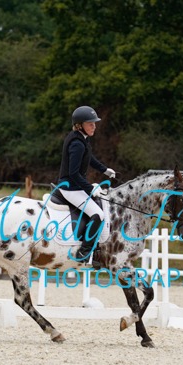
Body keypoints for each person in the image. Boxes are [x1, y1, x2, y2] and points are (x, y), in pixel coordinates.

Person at [57, 105, 116, 262]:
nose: (94, 126)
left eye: (94, 123)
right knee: (98, 215)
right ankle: (84, 252)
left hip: (75, 186)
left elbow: (89, 158)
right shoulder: (76, 144)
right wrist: (90, 189)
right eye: (90, 124)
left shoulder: (81, 139)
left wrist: (104, 170)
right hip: (69, 188)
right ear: (79, 125)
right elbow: (73, 173)